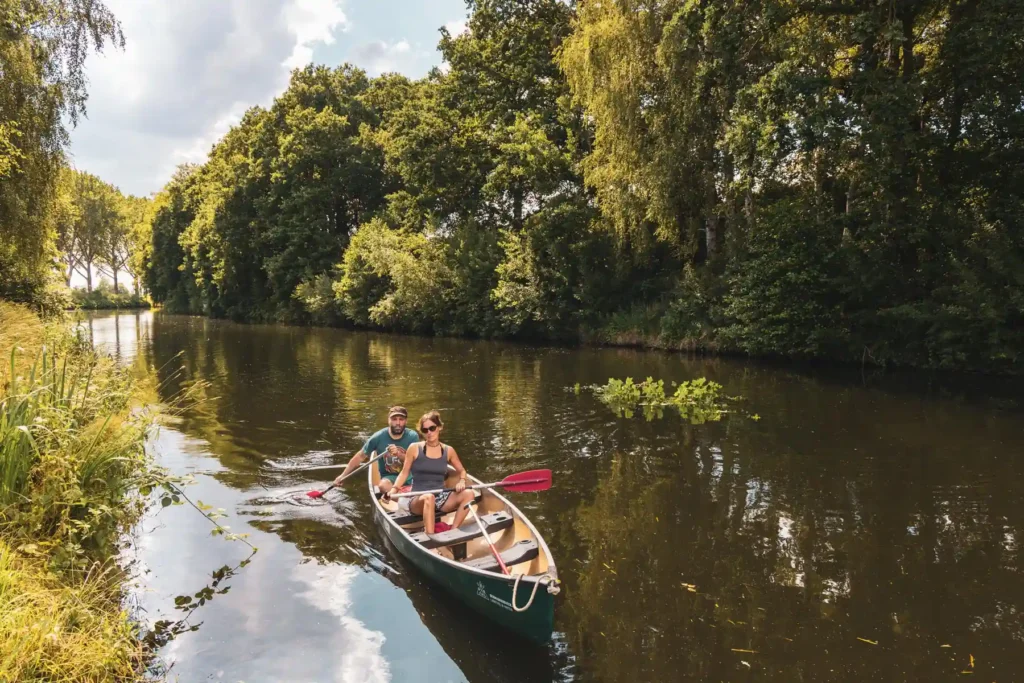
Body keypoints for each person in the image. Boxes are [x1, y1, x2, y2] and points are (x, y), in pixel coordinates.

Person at [386, 410, 475, 535]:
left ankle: (453, 532)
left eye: (432, 428)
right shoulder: (414, 448)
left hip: (440, 497)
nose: (429, 433)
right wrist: (394, 489)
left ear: (439, 427)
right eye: (425, 430)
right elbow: (404, 473)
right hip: (418, 498)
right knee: (429, 497)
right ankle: (431, 538)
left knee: (469, 494)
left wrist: (462, 480)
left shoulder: (448, 450)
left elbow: (462, 471)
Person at [332, 406, 418, 495]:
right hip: (389, 478)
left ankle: (400, 496)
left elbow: (416, 461)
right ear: (388, 420)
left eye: (401, 419)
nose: (398, 423)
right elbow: (360, 456)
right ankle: (398, 499)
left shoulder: (412, 437)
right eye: (394, 419)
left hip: (409, 477)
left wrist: (398, 454)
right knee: (383, 486)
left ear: (406, 421)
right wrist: (342, 476)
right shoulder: (378, 437)